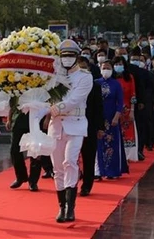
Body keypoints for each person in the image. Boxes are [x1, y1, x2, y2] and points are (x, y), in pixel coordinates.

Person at [47, 39, 93, 223]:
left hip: (75, 124)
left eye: (70, 55)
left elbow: (75, 99)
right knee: (57, 168)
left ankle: (71, 207)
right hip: (56, 126)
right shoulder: (53, 76)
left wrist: (57, 107)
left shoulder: (85, 77)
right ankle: (61, 207)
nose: (66, 59)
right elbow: (45, 95)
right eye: (64, 56)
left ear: (77, 57)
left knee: (70, 161)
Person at [95, 60, 129, 178]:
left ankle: (112, 171)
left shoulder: (116, 84)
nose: (106, 70)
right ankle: (98, 171)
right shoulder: (95, 83)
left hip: (112, 117)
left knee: (112, 144)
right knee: (98, 144)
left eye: (108, 68)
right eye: (104, 67)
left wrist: (116, 116)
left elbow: (120, 102)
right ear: (100, 68)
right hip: (98, 118)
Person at [78, 62, 105, 196]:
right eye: (79, 68)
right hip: (72, 125)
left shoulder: (95, 86)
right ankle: (71, 182)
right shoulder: (68, 85)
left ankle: (87, 185)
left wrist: (100, 127)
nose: (82, 71)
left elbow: (99, 108)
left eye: (84, 68)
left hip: (90, 125)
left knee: (88, 156)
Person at [130, 52, 154, 158]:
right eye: (133, 59)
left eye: (139, 60)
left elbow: (153, 89)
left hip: (142, 105)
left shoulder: (147, 73)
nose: (136, 61)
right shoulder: (128, 72)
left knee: (141, 127)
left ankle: (140, 150)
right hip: (128, 104)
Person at [112, 56, 138, 161]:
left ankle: (128, 156)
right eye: (116, 64)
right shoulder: (111, 78)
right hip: (113, 110)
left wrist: (132, 110)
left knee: (128, 132)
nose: (119, 66)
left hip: (127, 109)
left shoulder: (129, 77)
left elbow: (133, 95)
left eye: (120, 64)